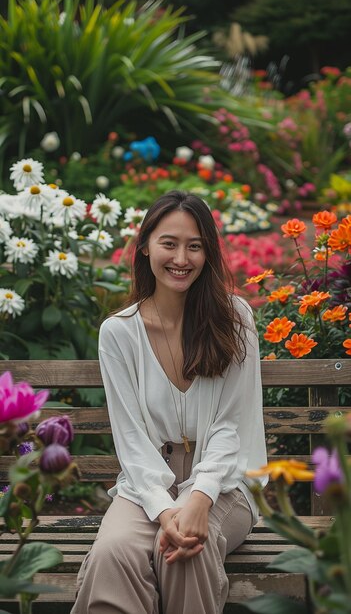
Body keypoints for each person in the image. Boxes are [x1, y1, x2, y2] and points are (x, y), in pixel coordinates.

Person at [71, 190, 267, 614]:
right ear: (144, 248)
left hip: (227, 482)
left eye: (194, 246)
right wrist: (164, 510)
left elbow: (231, 425)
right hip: (146, 483)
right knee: (113, 554)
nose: (182, 258)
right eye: (169, 243)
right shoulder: (119, 334)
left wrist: (200, 496)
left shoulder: (235, 320)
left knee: (183, 553)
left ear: (208, 253)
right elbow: (130, 437)